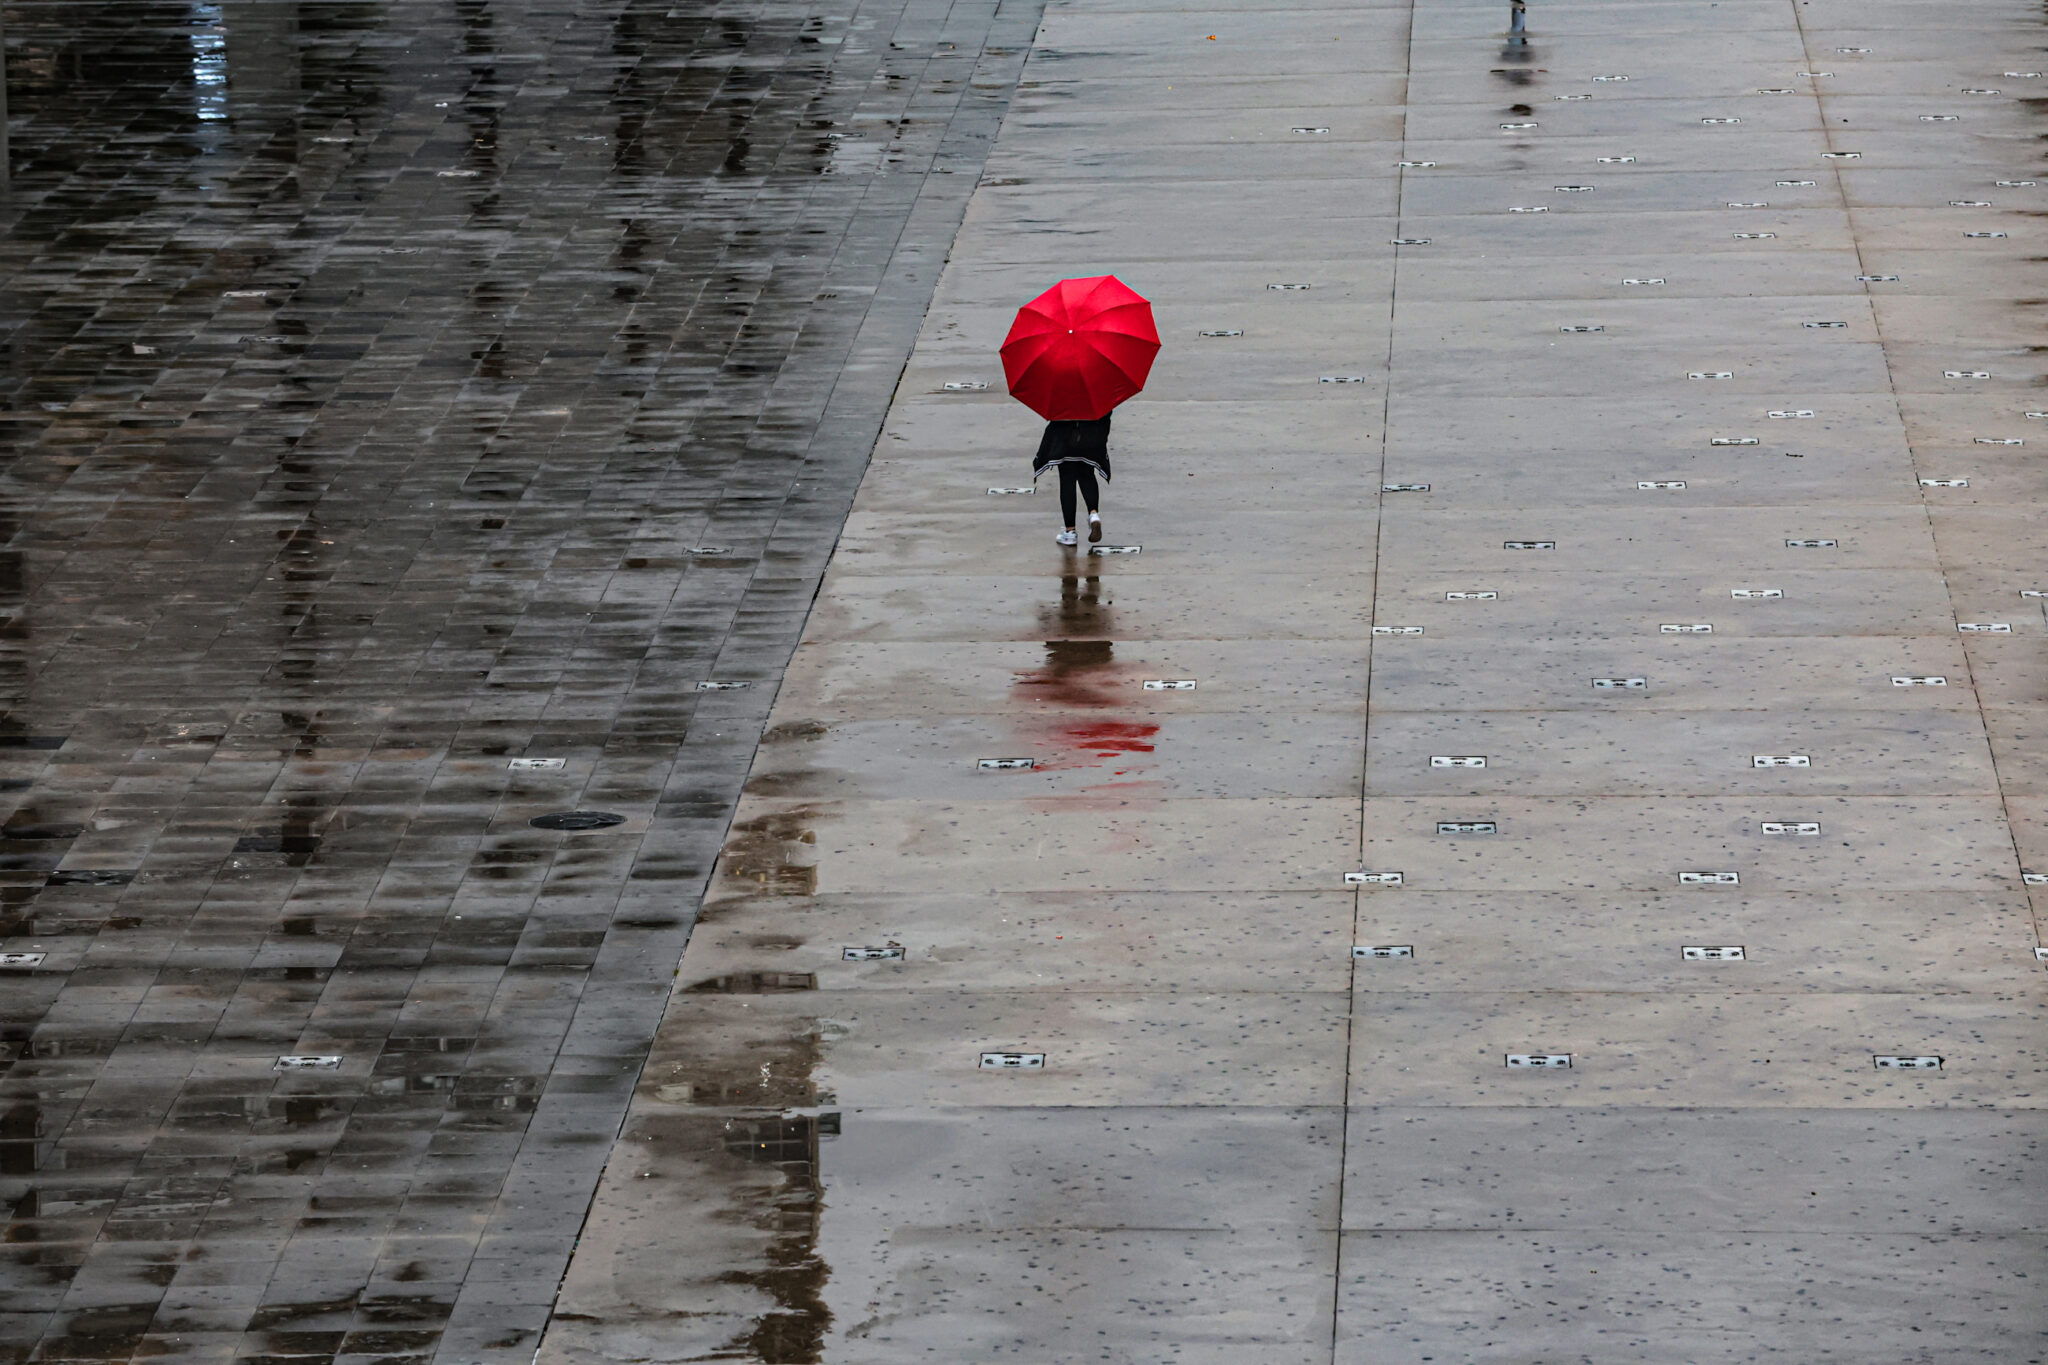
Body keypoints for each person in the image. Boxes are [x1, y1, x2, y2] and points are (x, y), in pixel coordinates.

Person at [1031, 413, 1111, 546]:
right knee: (1087, 475)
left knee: (1067, 480)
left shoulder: (1060, 392)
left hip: (1065, 438)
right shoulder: (1095, 395)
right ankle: (1093, 514)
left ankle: (1070, 532)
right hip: (1090, 437)